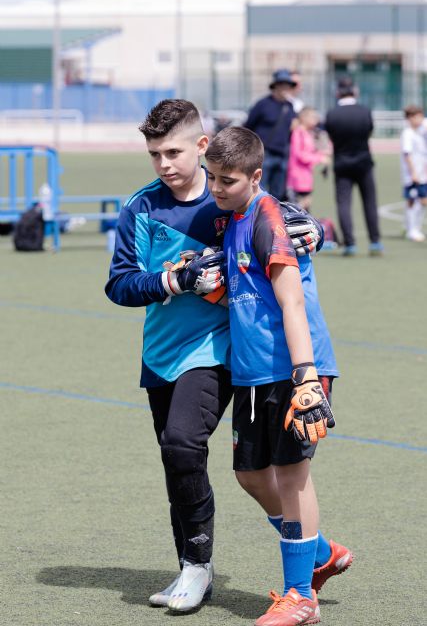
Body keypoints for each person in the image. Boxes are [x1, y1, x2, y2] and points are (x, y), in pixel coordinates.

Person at [104, 99, 323, 613]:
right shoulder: (142, 207)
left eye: (174, 152)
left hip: (223, 350)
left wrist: (317, 231)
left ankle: (196, 569)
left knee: (184, 442)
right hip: (161, 354)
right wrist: (171, 280)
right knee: (178, 458)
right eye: (154, 154)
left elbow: (284, 223)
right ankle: (315, 547)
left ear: (202, 146)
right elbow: (118, 283)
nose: (164, 164)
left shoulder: (228, 195)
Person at [205, 126, 352, 626]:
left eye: (228, 179)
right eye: (212, 178)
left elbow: (290, 301)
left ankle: (299, 597)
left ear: (255, 175)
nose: (217, 188)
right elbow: (250, 294)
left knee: (292, 477)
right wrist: (209, 289)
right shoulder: (233, 220)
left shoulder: (270, 218)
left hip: (292, 368)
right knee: (250, 475)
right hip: (250, 373)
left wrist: (307, 378)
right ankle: (319, 554)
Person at [325, 76, 383, 256]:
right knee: (369, 202)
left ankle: (350, 243)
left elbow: (331, 136)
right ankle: (375, 242)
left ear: (337, 93)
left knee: (344, 203)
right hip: (364, 161)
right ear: (355, 91)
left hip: (342, 162)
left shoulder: (332, 114)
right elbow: (369, 131)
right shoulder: (364, 111)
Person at [244, 69, 296, 200]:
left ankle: (274, 219)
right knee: (259, 189)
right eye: (282, 84)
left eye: (288, 85)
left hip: (283, 154)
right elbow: (248, 126)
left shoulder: (290, 107)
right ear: (275, 86)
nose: (285, 88)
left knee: (278, 193)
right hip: (264, 153)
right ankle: (257, 218)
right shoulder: (262, 104)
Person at [287, 107, 330, 211]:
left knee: (305, 211)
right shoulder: (298, 133)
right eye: (313, 117)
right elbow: (299, 155)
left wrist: (322, 153)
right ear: (304, 118)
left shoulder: (308, 133)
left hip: (306, 178)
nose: (316, 120)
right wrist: (320, 158)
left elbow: (310, 151)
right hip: (297, 178)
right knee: (297, 211)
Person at [400, 104, 427, 242]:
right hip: (412, 174)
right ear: (410, 118)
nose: (420, 119)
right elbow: (407, 155)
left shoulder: (421, 130)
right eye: (417, 117)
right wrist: (413, 173)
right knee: (413, 200)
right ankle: (412, 229)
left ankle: (410, 226)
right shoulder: (408, 133)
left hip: (423, 173)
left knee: (422, 201)